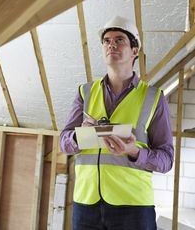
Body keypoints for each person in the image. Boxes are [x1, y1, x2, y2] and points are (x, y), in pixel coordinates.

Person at [60, 15, 174, 230]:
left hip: (133, 207)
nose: (111, 44)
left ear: (134, 51)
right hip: (86, 204)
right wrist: (79, 136)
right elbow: (64, 142)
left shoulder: (153, 97)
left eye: (119, 39)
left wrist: (135, 152)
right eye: (106, 40)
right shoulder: (84, 92)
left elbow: (166, 159)